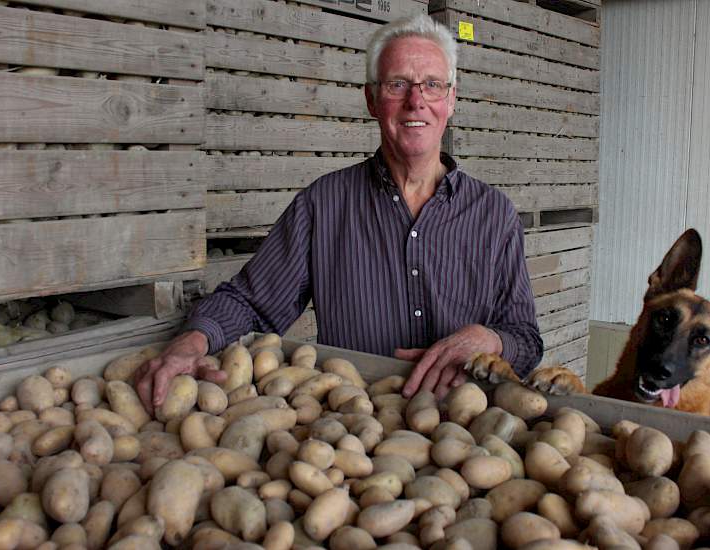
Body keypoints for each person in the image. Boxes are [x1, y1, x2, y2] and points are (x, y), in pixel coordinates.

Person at [134, 13, 542, 411]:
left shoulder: (494, 214)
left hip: (464, 426)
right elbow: (251, 303)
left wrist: (490, 340)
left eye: (433, 85)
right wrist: (193, 342)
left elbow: (525, 338)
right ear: (371, 99)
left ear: (451, 100)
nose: (416, 101)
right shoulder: (323, 205)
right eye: (398, 84)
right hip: (352, 426)